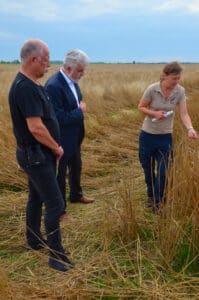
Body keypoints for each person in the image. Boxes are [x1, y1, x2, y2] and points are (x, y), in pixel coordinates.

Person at [8, 39, 74, 272]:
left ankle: (34, 240)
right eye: (46, 61)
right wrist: (56, 146)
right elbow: (35, 127)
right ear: (33, 59)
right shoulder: (25, 88)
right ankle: (57, 256)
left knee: (36, 198)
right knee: (55, 203)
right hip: (35, 155)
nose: (49, 65)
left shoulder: (32, 84)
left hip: (35, 154)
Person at [138, 61, 197, 210]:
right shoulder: (152, 89)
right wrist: (155, 113)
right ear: (164, 76)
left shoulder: (180, 91)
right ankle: (151, 196)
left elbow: (184, 114)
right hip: (147, 136)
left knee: (164, 170)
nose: (176, 82)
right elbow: (141, 107)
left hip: (165, 137)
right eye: (174, 78)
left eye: (178, 78)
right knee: (148, 169)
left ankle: (158, 202)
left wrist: (190, 128)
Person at [45, 49, 94, 217]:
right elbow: (58, 117)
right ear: (68, 69)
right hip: (60, 139)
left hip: (74, 137)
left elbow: (75, 102)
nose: (83, 74)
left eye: (83, 70)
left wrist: (78, 110)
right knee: (60, 175)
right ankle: (60, 209)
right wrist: (80, 112)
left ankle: (76, 195)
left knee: (76, 167)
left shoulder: (72, 80)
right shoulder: (53, 86)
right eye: (80, 70)